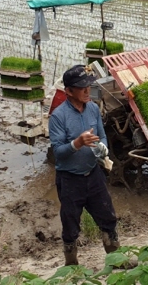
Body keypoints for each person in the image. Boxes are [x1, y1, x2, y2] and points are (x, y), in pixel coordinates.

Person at [48, 65, 120, 266]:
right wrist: (77, 143)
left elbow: (102, 134)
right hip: (70, 179)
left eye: (89, 86)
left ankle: (116, 260)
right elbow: (59, 153)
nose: (88, 91)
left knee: (108, 217)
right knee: (70, 226)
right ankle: (71, 266)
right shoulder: (58, 117)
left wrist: (103, 150)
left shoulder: (93, 109)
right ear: (69, 91)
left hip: (93, 174)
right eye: (82, 88)